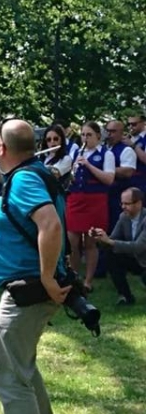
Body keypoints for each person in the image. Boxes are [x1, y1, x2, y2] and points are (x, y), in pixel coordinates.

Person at [0, 119, 70, 414]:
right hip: (29, 287)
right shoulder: (34, 173)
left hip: (29, 290)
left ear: (1, 148)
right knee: (23, 364)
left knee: (7, 374)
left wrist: (48, 276)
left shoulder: (23, 180)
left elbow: (50, 225)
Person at [66, 121, 115, 292]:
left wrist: (88, 165)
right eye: (83, 135)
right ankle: (74, 278)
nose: (85, 138)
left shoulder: (106, 154)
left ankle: (88, 281)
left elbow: (109, 179)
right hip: (75, 199)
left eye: (89, 135)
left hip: (95, 200)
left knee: (90, 243)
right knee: (72, 242)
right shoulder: (75, 152)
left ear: (98, 137)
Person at [91, 187, 146, 305]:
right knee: (111, 255)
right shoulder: (123, 217)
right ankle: (125, 296)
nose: (123, 207)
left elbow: (139, 247)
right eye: (122, 203)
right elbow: (112, 240)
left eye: (127, 204)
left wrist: (110, 242)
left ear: (139, 203)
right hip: (136, 259)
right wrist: (100, 238)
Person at [104, 120, 136, 234]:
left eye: (113, 131)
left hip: (118, 197)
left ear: (121, 133)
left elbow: (128, 171)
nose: (109, 134)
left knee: (116, 229)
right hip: (103, 196)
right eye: (108, 131)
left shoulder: (126, 150)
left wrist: (105, 169)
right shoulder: (103, 148)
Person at [40, 124, 73, 189]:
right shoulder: (42, 157)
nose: (52, 142)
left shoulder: (66, 159)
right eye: (49, 139)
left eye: (56, 139)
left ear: (61, 140)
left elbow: (54, 174)